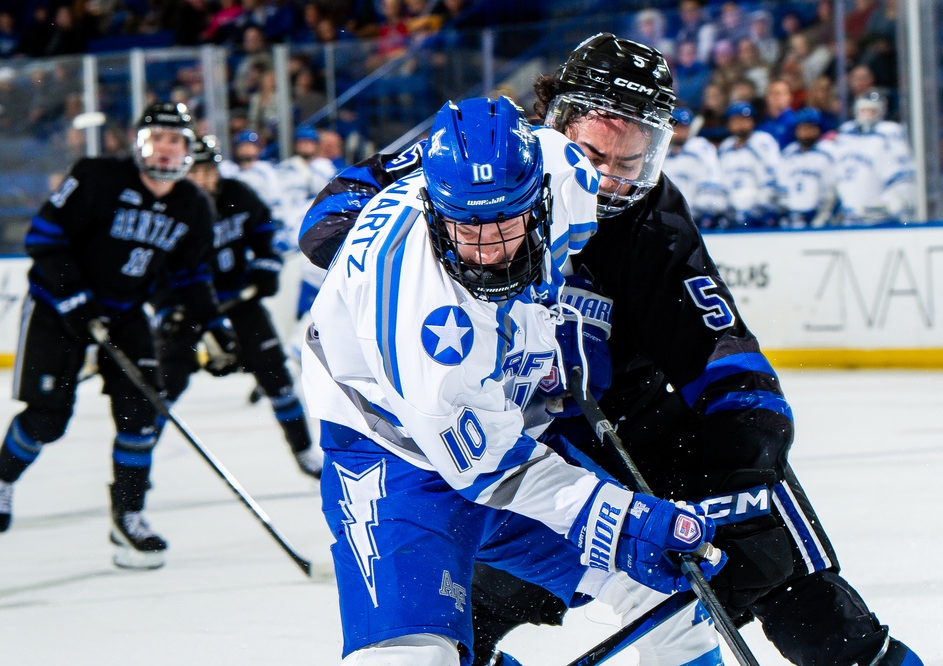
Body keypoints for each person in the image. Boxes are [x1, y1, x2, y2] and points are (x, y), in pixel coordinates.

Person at [299, 33, 925, 666]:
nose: (606, 179)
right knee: (466, 621)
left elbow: (724, 360)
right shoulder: (489, 163)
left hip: (641, 430)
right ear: (554, 119)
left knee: (810, 611)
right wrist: (426, 268)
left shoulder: (650, 219)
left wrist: (744, 479)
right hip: (529, 443)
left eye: (631, 162)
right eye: (593, 153)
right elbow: (327, 220)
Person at [301, 95, 723, 666]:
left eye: (507, 222)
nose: (489, 252)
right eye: (466, 229)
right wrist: (626, 519)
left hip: (505, 424)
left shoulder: (566, 168)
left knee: (668, 602)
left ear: (540, 195)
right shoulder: (423, 314)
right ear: (433, 207)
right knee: (408, 660)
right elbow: (488, 466)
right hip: (392, 457)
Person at [0, 102, 239, 570]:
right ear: (138, 142)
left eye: (175, 140)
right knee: (48, 418)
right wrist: (73, 296)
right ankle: (1, 476)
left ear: (188, 149)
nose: (165, 148)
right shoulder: (97, 177)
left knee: (143, 413)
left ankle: (129, 515)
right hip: (56, 306)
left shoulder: (193, 205)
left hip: (123, 314)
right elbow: (42, 238)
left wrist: (216, 326)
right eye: (156, 137)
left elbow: (188, 278)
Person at [154, 135, 322, 478]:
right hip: (192, 307)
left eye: (207, 170)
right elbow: (155, 267)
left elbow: (266, 235)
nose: (202, 179)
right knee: (164, 385)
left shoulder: (238, 195)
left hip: (239, 300)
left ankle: (304, 451)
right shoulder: (171, 206)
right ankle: (139, 464)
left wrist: (264, 270)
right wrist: (166, 308)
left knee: (276, 375)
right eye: (194, 171)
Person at [832, 91, 915, 226]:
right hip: (847, 216)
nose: (867, 114)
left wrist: (890, 202)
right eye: (863, 110)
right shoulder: (845, 133)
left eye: (872, 110)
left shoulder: (889, 132)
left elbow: (902, 175)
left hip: (879, 218)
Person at [717, 100, 782, 227]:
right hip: (731, 213)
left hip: (759, 213)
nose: (740, 124)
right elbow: (721, 181)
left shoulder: (763, 142)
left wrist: (760, 208)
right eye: (735, 120)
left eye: (744, 119)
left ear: (752, 121)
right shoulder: (725, 147)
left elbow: (772, 178)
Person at [663, 107, 728, 229]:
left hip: (696, 218)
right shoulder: (663, 152)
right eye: (676, 127)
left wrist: (704, 211)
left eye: (683, 127)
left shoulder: (701, 148)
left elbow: (711, 180)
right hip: (669, 219)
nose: (679, 131)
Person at [776, 107, 838, 228]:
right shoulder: (788, 153)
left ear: (818, 129)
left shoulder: (828, 152)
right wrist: (785, 212)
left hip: (819, 216)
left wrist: (823, 214)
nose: (805, 132)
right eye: (802, 128)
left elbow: (832, 190)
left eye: (810, 128)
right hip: (793, 217)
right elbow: (781, 187)